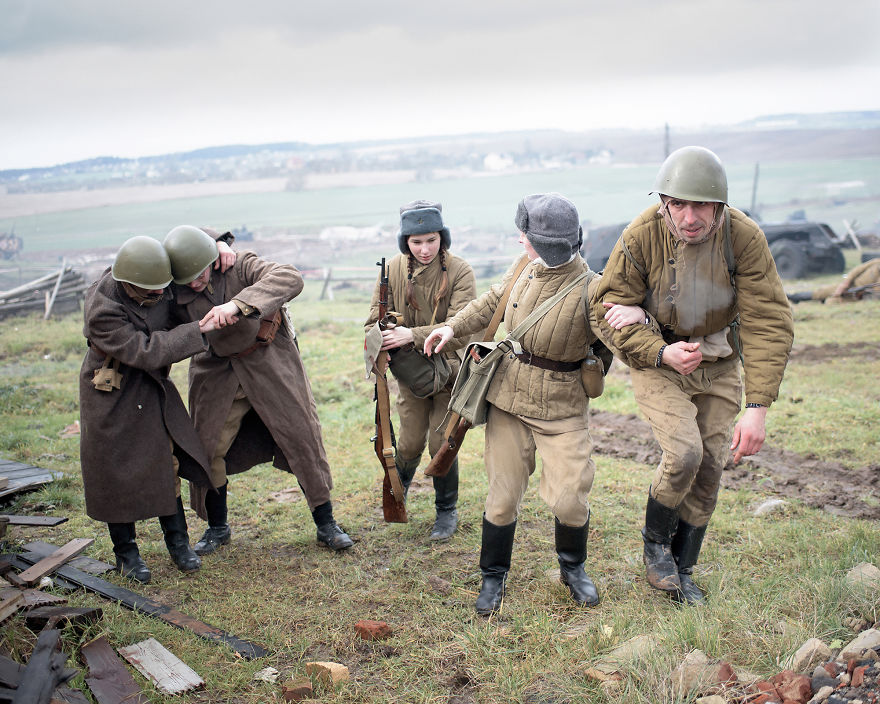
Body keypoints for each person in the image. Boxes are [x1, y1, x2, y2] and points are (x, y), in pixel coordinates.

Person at [424, 193, 646, 615]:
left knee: (570, 497)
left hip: (563, 408)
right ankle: (493, 576)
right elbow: (492, 301)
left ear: (541, 242)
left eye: (526, 237)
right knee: (502, 497)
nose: (520, 242)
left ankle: (573, 568)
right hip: (508, 399)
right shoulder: (524, 267)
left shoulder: (593, 289)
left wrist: (649, 331)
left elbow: (623, 339)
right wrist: (450, 327)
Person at [591, 146, 794, 605]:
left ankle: (683, 569)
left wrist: (757, 407)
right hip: (660, 361)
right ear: (663, 203)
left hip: (719, 361)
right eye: (676, 204)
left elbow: (768, 319)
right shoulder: (641, 234)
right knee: (684, 453)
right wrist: (660, 352)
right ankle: (655, 549)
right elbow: (602, 309)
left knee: (709, 467)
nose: (688, 217)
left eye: (700, 204)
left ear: (720, 206)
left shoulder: (743, 237)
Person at [163, 225, 353, 554]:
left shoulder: (240, 264)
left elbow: (289, 278)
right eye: (188, 278)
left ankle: (326, 524)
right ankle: (217, 527)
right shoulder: (174, 289)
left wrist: (237, 305)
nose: (196, 282)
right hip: (216, 372)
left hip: (270, 363)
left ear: (212, 258)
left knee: (302, 437)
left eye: (201, 272)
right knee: (207, 448)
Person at [79, 235, 229, 583]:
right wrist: (196, 330)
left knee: (166, 463)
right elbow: (145, 351)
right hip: (111, 394)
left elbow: (184, 244)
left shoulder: (155, 272)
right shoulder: (101, 310)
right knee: (113, 473)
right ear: (129, 283)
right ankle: (126, 554)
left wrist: (219, 243)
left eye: (164, 287)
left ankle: (179, 545)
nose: (162, 295)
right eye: (151, 292)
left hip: (152, 389)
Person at [364, 200, 476, 540]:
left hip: (452, 372)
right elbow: (372, 320)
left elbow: (464, 326)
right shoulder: (392, 272)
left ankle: (446, 511)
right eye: (416, 242)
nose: (425, 249)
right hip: (412, 375)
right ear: (405, 242)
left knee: (441, 441)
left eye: (431, 240)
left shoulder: (460, 271)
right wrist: (382, 332)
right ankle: (399, 495)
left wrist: (410, 335)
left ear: (442, 237)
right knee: (409, 443)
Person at [787, 256, 880, 303]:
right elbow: (855, 271)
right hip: (850, 285)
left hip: (858, 296)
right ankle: (795, 297)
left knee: (831, 302)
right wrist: (845, 284)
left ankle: (823, 301)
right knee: (821, 292)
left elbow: (876, 294)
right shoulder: (876, 262)